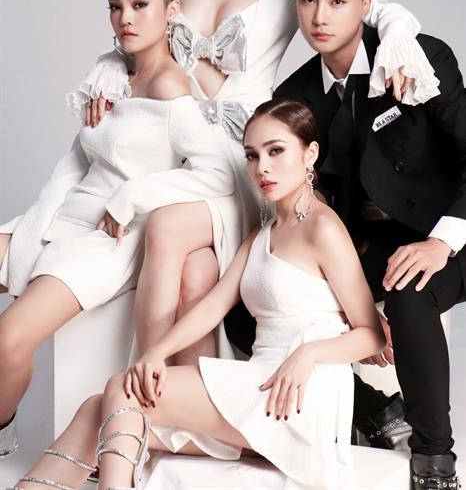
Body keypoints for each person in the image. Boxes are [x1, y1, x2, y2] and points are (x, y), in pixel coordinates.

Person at [75, 0, 439, 368]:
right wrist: (108, 62)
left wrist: (397, 34)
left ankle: (141, 390)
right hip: (171, 139)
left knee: (169, 232)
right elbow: (138, 19)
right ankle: (183, 402)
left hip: (238, 151)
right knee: (195, 275)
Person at [9, 99, 385, 490]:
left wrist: (308, 354)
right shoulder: (263, 234)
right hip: (259, 383)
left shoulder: (324, 229)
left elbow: (370, 334)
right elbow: (213, 306)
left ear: (310, 154)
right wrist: (157, 352)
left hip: (299, 394)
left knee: (123, 391)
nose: (262, 168)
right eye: (252, 156)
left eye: (276, 151)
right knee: (96, 411)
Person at [0, 0, 233, 460]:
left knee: (8, 339)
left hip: (106, 239)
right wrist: (33, 225)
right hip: (66, 215)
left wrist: (133, 195)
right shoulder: (112, 75)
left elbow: (219, 173)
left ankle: (1, 430)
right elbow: (79, 158)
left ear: (171, 11)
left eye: (140, 5)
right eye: (115, 6)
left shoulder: (173, 89)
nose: (124, 18)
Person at [270, 0, 465, 490]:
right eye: (308, 0)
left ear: (366, 4)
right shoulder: (297, 95)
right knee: (255, 290)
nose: (320, 16)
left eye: (338, 1)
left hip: (448, 230)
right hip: (365, 242)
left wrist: (441, 242)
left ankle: (435, 459)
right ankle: (377, 413)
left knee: (409, 290)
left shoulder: (416, 58)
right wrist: (350, 290)